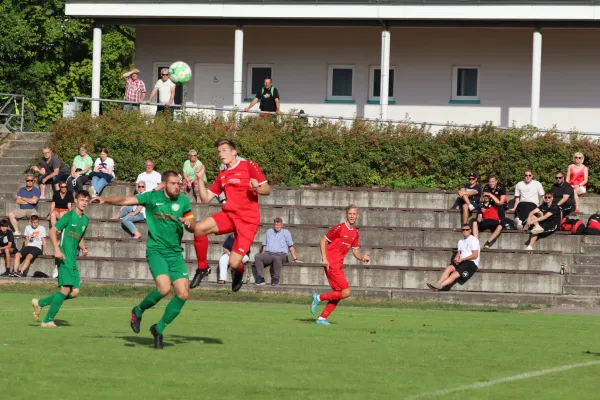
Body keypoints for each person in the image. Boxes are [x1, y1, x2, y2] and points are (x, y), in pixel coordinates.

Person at [92, 171, 195, 349]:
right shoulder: (151, 197)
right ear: (163, 184)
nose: (176, 187)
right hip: (157, 251)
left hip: (175, 253)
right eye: (172, 183)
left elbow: (193, 226)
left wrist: (190, 225)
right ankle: (138, 310)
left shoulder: (183, 201)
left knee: (184, 294)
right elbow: (126, 200)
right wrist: (105, 200)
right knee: (163, 289)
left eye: (178, 183)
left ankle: (158, 328)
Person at [185, 138, 271, 293]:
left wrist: (256, 188)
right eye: (218, 151)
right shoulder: (223, 174)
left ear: (234, 152)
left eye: (224, 150)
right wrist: (199, 179)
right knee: (199, 229)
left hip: (248, 221)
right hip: (229, 215)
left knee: (234, 262)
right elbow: (205, 198)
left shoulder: (248, 165)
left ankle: (239, 270)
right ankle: (203, 268)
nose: (220, 154)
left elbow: (267, 189)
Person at [31, 191, 90, 327]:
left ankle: (40, 303)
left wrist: (83, 247)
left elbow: (78, 236)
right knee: (65, 290)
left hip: (73, 259)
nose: (84, 203)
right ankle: (47, 320)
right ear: (76, 201)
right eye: (82, 200)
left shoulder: (85, 220)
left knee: (75, 292)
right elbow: (52, 231)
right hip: (64, 257)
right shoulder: (69, 216)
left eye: (86, 200)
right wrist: (57, 250)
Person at [309, 205, 370, 325]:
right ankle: (318, 298)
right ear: (346, 214)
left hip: (339, 265)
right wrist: (325, 259)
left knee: (338, 294)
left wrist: (362, 257)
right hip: (331, 264)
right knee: (346, 292)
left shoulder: (355, 233)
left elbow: (355, 250)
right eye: (350, 214)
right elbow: (323, 241)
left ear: (357, 216)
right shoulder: (339, 228)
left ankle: (322, 318)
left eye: (354, 214)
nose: (352, 216)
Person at [427, 223, 480, 291]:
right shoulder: (461, 240)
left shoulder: (474, 240)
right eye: (463, 230)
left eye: (467, 229)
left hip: (471, 262)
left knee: (454, 274)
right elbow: (459, 253)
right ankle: (438, 283)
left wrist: (463, 259)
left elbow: (475, 255)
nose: (465, 231)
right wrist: (456, 258)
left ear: (470, 230)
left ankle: (439, 287)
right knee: (449, 268)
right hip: (462, 260)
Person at [253, 217, 301, 286]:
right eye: (276, 225)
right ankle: (260, 278)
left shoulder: (286, 232)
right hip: (269, 253)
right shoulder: (269, 231)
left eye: (279, 225)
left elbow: (291, 246)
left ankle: (276, 278)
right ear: (274, 225)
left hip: (281, 254)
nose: (277, 226)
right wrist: (263, 256)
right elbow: (264, 245)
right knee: (258, 256)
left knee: (276, 257)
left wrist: (295, 259)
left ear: (282, 225)